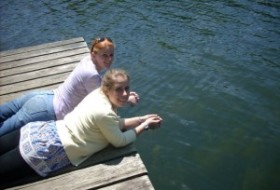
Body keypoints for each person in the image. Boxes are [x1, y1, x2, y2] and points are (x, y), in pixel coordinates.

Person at [0, 68, 162, 183]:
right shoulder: (105, 112)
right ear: (108, 89)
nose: (125, 94)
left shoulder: (98, 94)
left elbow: (112, 123)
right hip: (47, 150)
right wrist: (145, 126)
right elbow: (119, 141)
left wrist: (141, 119)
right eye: (119, 89)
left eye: (127, 88)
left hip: (40, 131)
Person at [0, 37, 139, 137]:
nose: (109, 59)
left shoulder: (87, 60)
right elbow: (104, 104)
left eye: (111, 55)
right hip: (48, 110)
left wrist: (125, 93)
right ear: (94, 55)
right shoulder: (92, 76)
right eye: (104, 55)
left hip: (42, 97)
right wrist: (127, 100)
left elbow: (104, 91)